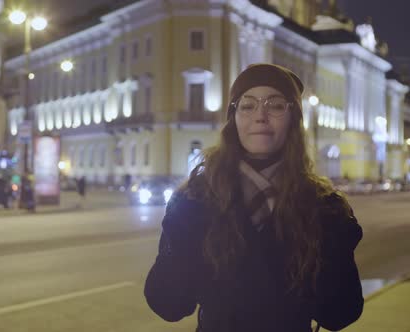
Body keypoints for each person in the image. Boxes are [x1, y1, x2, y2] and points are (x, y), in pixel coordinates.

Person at [144, 64, 363, 332]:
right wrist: (181, 230)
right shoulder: (196, 200)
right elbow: (168, 304)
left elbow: (340, 313)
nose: (260, 115)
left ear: (293, 119)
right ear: (233, 118)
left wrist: (334, 239)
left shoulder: (324, 206)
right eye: (248, 105)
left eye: (276, 105)